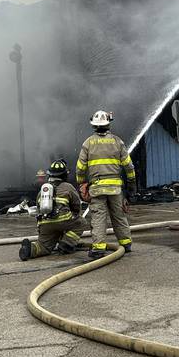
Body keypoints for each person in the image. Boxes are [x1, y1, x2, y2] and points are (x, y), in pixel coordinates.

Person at [76, 110, 136, 259]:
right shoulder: (117, 141)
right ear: (109, 123)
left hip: (96, 188)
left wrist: (81, 183)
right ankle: (126, 243)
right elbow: (129, 166)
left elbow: (80, 168)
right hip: (115, 188)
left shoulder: (88, 143)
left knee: (98, 217)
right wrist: (131, 185)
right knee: (119, 216)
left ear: (94, 126)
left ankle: (98, 249)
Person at [19, 159, 84, 261]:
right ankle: (66, 244)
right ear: (64, 175)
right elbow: (76, 206)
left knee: (44, 246)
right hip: (63, 220)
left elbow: (38, 208)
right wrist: (73, 215)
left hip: (45, 223)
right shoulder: (68, 187)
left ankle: (29, 249)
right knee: (81, 222)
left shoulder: (43, 190)